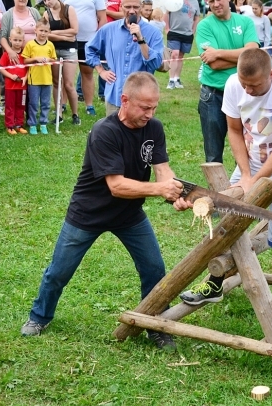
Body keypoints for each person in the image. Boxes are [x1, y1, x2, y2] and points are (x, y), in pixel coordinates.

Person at [20, 72, 183, 351]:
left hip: (129, 215)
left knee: (154, 269)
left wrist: (175, 192)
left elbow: (163, 170)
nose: (150, 113)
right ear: (125, 100)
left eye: (154, 107)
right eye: (145, 107)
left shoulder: (153, 128)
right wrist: (160, 190)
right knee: (59, 271)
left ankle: (155, 325)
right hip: (88, 214)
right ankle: (39, 316)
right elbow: (116, 186)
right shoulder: (104, 131)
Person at [179, 48, 272, 327]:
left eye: (255, 85)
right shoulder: (233, 84)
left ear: (271, 74)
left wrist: (258, 178)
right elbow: (235, 131)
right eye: (244, 83)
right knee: (228, 226)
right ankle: (214, 285)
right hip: (249, 164)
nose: (247, 90)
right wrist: (247, 175)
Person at [194, 0, 258, 163]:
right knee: (213, 155)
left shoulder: (245, 22)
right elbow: (214, 64)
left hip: (244, 94)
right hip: (213, 96)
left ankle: (244, 179)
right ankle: (217, 182)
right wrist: (243, 57)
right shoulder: (204, 26)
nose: (215, 4)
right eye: (211, 1)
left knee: (248, 151)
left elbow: (253, 53)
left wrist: (218, 53)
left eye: (219, 0)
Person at [85, 0, 162, 116]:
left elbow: (155, 63)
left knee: (138, 128)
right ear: (121, 7)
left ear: (141, 7)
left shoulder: (154, 33)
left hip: (141, 99)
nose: (132, 11)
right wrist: (101, 71)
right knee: (113, 128)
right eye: (128, 7)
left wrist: (141, 39)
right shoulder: (109, 29)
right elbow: (90, 49)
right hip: (115, 96)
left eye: (135, 7)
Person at [66, 0, 106, 116]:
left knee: (87, 73)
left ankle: (89, 106)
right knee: (65, 75)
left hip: (88, 40)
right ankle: (62, 105)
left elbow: (102, 18)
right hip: (68, 39)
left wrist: (97, 39)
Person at [44, 0, 80, 124]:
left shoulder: (69, 9)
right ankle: (58, 114)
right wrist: (65, 37)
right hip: (53, 51)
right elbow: (46, 33)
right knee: (56, 83)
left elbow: (75, 30)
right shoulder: (46, 13)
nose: (47, 2)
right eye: (45, 0)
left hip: (69, 51)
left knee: (69, 84)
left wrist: (54, 33)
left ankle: (75, 114)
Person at [23, 18, 56, 133]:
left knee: (46, 103)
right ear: (35, 30)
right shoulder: (30, 44)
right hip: (34, 80)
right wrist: (35, 59)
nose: (43, 33)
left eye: (46, 31)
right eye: (41, 30)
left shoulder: (50, 45)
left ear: (49, 32)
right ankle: (32, 123)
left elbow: (54, 60)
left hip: (47, 79)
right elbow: (25, 60)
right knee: (33, 103)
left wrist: (49, 59)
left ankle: (43, 123)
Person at [0, 25, 27, 134]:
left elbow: (29, 68)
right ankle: (9, 125)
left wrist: (25, 77)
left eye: (20, 40)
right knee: (10, 106)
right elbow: (1, 68)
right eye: (15, 40)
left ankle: (19, 124)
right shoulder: (7, 54)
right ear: (10, 39)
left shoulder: (25, 54)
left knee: (21, 105)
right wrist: (10, 76)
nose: (17, 43)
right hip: (10, 86)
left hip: (22, 87)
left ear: (23, 40)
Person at [165, 0, 199, 90]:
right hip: (174, 32)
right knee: (174, 54)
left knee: (180, 56)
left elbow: (196, 17)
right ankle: (171, 80)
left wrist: (193, 30)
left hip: (187, 33)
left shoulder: (195, 2)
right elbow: (166, 13)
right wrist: (167, 28)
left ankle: (177, 79)